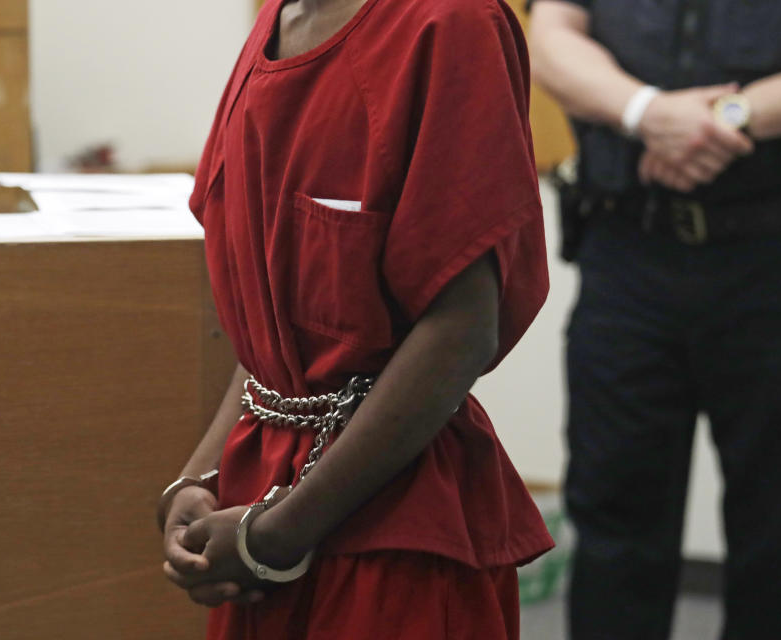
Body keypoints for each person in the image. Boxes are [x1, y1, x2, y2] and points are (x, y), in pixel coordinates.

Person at [157, 0, 553, 637]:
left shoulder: (449, 24)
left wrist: (285, 530)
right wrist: (196, 480)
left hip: (384, 524)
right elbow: (273, 344)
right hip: (257, 515)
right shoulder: (275, 25)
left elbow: (460, 331)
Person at [527, 1, 781, 639]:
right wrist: (647, 114)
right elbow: (551, 35)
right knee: (613, 526)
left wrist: (725, 119)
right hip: (630, 256)